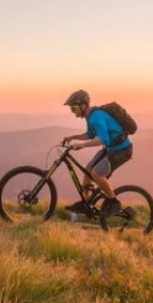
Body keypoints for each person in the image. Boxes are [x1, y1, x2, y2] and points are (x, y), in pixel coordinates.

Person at [62, 89, 133, 217]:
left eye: (73, 108)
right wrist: (72, 137)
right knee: (88, 168)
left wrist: (81, 145)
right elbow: (90, 135)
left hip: (122, 150)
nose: (72, 112)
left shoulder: (96, 117)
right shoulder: (90, 117)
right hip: (111, 148)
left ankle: (114, 202)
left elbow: (103, 139)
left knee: (97, 173)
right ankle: (85, 203)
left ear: (83, 105)